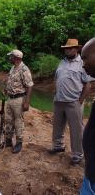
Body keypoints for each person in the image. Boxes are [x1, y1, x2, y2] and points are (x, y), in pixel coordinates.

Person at [48, 38, 91, 165]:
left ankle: (77, 155)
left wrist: (80, 101)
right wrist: (55, 93)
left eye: (70, 48)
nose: (67, 50)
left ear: (77, 49)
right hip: (59, 100)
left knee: (76, 130)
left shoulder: (82, 64)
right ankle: (58, 146)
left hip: (73, 102)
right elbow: (57, 79)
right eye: (66, 48)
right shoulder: (62, 62)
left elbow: (88, 85)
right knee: (57, 126)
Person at [4, 49, 33, 153]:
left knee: (18, 121)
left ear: (16, 58)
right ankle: (8, 140)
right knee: (8, 119)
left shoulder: (24, 69)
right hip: (10, 98)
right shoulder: (13, 68)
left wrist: (27, 102)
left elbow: (29, 86)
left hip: (18, 99)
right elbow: (10, 81)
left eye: (11, 56)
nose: (9, 58)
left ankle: (19, 142)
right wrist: (6, 89)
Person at [80, 37, 95, 194]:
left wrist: (80, 101)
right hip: (90, 175)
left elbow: (87, 86)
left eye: (85, 57)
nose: (83, 63)